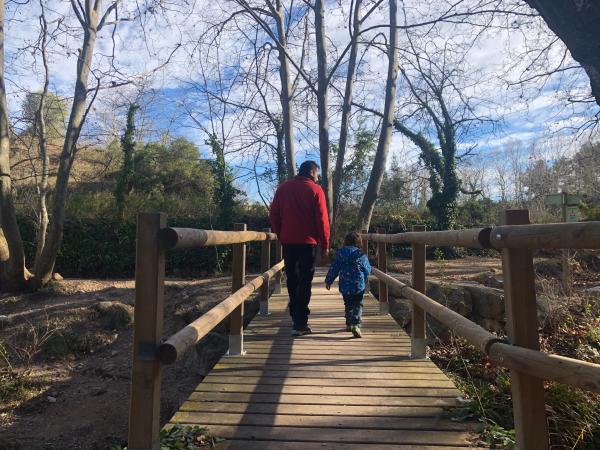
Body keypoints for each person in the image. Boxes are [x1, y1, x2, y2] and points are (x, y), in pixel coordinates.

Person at [269, 160, 330, 336]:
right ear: (312, 172)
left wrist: (281, 234)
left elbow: (273, 215)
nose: (317, 178)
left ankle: (295, 314)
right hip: (307, 243)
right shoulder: (315, 190)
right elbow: (322, 221)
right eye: (317, 174)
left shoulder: (283, 188)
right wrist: (325, 246)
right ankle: (300, 322)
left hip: (288, 241)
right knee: (304, 280)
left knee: (292, 278)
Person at [325, 232, 371, 338]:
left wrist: (329, 280)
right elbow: (367, 269)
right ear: (359, 242)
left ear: (345, 241)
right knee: (357, 304)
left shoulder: (340, 253)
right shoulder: (360, 254)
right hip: (358, 285)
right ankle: (356, 324)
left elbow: (334, 268)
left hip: (345, 285)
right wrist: (365, 275)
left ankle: (349, 324)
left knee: (348, 304)